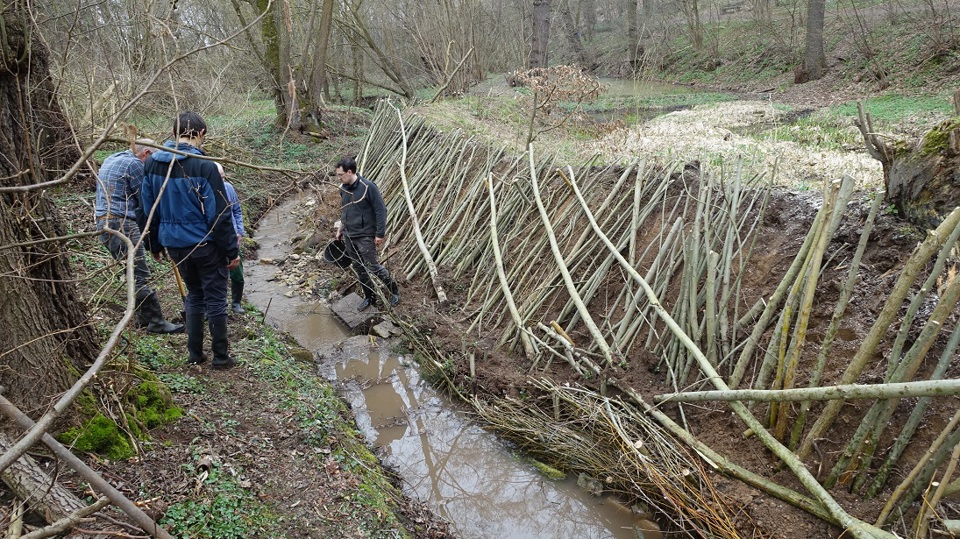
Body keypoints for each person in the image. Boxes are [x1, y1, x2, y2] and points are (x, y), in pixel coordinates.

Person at [140, 112, 240, 369]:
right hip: (205, 245)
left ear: (174, 133)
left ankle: (195, 354)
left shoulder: (151, 164)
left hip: (175, 244)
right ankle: (220, 357)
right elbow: (219, 214)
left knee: (195, 294)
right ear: (201, 134)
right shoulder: (204, 166)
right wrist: (231, 251)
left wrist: (154, 244)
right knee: (216, 299)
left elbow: (147, 208)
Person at [94, 139, 183, 334]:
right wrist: (155, 244)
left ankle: (143, 319)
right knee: (140, 274)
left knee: (132, 271)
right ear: (147, 153)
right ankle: (156, 322)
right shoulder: (135, 165)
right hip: (122, 222)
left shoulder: (113, 158)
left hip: (104, 222)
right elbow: (145, 207)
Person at [334, 156, 399, 310]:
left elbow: (381, 210)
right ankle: (369, 297)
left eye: (340, 174)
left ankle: (394, 291)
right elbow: (345, 209)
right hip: (349, 234)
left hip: (364, 235)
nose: (338, 178)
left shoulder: (368, 187)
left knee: (373, 266)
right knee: (358, 267)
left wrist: (380, 234)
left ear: (349, 172)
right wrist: (340, 229)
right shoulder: (343, 188)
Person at [217, 162, 246, 314]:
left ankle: (236, 303)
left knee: (237, 275)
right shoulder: (204, 191)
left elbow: (237, 210)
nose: (222, 180)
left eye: (223, 177)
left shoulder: (228, 188)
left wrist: (240, 232)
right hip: (215, 242)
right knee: (217, 277)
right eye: (219, 178)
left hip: (233, 239)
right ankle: (217, 306)